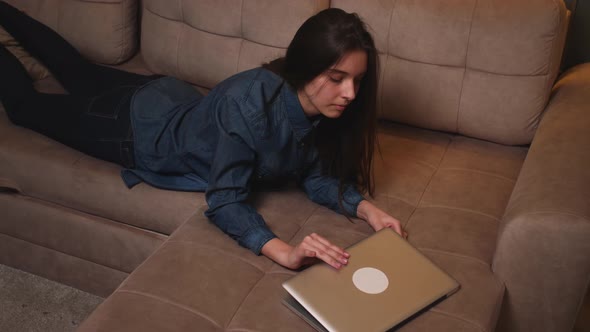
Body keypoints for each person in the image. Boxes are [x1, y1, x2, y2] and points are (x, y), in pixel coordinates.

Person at [0, 1, 406, 270]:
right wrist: (285, 251)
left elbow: (313, 174)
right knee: (25, 107)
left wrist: (367, 209)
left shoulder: (319, 109)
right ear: (306, 66)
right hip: (135, 129)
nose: (350, 94)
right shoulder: (249, 106)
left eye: (357, 80)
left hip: (165, 94)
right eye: (337, 78)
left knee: (75, 69)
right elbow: (225, 199)